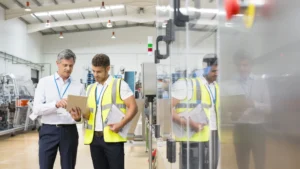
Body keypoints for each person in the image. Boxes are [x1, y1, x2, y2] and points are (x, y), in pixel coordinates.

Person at [70, 54, 138, 169]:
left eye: (99, 71)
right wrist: (78, 117)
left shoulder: (119, 84)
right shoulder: (90, 88)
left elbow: (133, 107)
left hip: (113, 138)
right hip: (94, 139)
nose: (95, 75)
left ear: (108, 69)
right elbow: (87, 114)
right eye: (93, 71)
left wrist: (121, 124)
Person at [32, 49, 85, 169]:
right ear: (57, 63)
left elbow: (82, 115)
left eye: (71, 65)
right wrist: (55, 104)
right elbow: (36, 110)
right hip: (48, 130)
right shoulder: (44, 82)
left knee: (68, 166)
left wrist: (78, 118)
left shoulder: (79, 86)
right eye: (65, 65)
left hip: (69, 131)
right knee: (45, 166)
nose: (68, 68)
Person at [222, 53, 270, 169]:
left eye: (245, 65)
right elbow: (226, 110)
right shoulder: (231, 84)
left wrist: (254, 104)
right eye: (239, 65)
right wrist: (231, 113)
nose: (242, 68)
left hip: (257, 129)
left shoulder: (261, 82)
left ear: (251, 66)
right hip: (240, 128)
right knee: (242, 164)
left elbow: (269, 108)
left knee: (260, 163)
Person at [171, 58, 220, 169]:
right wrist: (188, 123)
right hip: (193, 137)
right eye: (213, 71)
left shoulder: (216, 86)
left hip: (214, 135)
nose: (216, 74)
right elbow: (166, 109)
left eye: (218, 71)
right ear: (205, 69)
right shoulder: (187, 85)